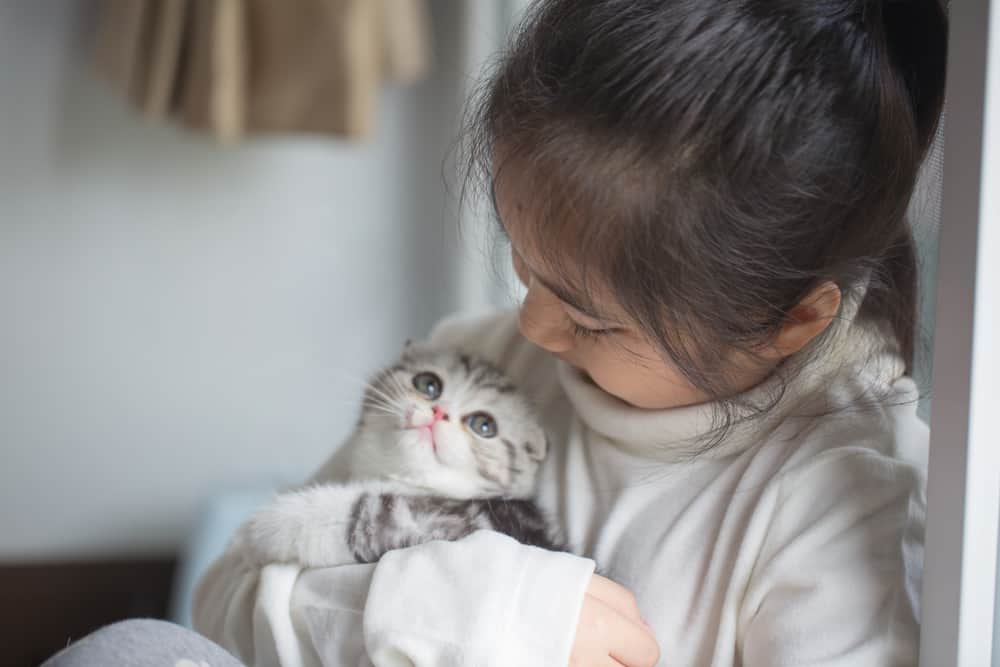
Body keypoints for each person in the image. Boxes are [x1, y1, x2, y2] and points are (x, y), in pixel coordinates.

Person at [46, 0, 948, 665]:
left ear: (791, 320)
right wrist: (452, 613)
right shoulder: (491, 365)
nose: (530, 323)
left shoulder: (845, 498)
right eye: (523, 262)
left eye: (591, 318)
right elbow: (227, 597)